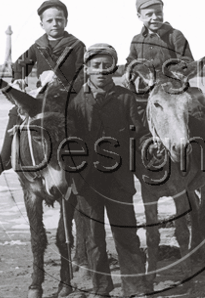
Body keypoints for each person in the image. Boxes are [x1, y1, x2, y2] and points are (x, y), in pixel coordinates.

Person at [67, 44, 148, 297]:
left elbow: (138, 134)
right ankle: (100, 288)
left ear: (114, 68)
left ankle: (134, 287)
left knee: (127, 234)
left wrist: (144, 159)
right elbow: (67, 141)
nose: (101, 71)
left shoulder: (126, 97)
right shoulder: (75, 101)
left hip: (119, 179)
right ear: (87, 69)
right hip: (86, 182)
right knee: (93, 238)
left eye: (106, 66)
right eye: (96, 66)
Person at [125, 0, 205, 192]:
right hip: (149, 93)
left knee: (201, 119)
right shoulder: (137, 40)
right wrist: (131, 74)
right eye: (149, 14)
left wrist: (175, 72)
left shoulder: (175, 35)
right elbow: (130, 62)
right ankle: (135, 173)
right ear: (139, 16)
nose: (155, 18)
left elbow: (187, 60)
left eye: (158, 13)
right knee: (130, 124)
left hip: (175, 89)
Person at [0, 0, 86, 179]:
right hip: (44, 96)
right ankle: (4, 159)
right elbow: (20, 65)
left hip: (68, 95)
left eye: (59, 19)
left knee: (81, 117)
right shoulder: (38, 46)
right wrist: (19, 79)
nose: (55, 23)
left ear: (66, 21)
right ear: (42, 24)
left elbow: (82, 73)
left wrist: (70, 89)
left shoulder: (76, 45)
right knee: (16, 112)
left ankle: (87, 160)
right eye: (49, 21)